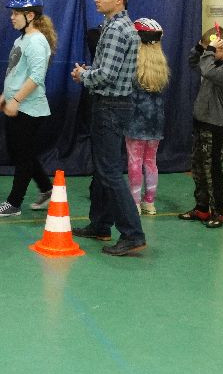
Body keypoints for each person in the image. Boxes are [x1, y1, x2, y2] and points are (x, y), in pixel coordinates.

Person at [70, 0, 145, 256]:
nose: (96, 0)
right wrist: (90, 70)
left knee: (110, 172)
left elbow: (107, 76)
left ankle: (132, 234)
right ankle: (101, 224)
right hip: (115, 104)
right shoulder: (118, 26)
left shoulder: (115, 30)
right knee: (104, 170)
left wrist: (83, 76)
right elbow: (109, 70)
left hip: (109, 106)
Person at [0, 0, 58, 218]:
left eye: (17, 13)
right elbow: (16, 72)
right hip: (17, 104)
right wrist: (4, 96)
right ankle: (47, 190)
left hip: (29, 109)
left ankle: (14, 203)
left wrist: (16, 100)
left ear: (30, 16)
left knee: (23, 156)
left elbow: (36, 76)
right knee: (21, 153)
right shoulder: (22, 39)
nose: (12, 16)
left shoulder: (37, 41)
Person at [180, 26, 223, 228]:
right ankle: (201, 208)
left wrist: (208, 51)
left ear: (220, 46)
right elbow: (194, 62)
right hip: (201, 122)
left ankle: (217, 211)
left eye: (211, 48)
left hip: (214, 124)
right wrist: (201, 48)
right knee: (199, 169)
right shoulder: (212, 59)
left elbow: (209, 72)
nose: (207, 52)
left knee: (212, 170)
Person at [124, 18, 170, 216]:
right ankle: (149, 202)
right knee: (150, 161)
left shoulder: (133, 62)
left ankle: (134, 202)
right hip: (156, 120)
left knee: (134, 161)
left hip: (135, 118)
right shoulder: (161, 64)